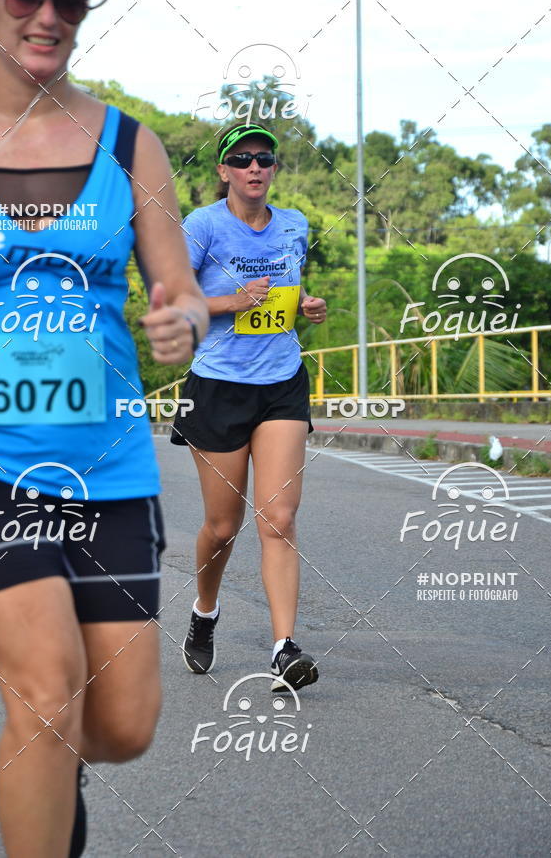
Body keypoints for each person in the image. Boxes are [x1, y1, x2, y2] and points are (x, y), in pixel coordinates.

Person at [0, 0, 208, 856]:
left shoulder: (128, 144)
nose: (49, 15)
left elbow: (175, 281)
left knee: (121, 727)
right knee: (44, 687)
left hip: (110, 465)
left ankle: (49, 764)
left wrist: (179, 317)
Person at [171, 122, 327, 692]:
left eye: (265, 158)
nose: (255, 168)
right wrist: (232, 301)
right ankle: (205, 610)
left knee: (279, 518)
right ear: (223, 171)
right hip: (218, 385)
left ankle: (284, 648)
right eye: (242, 160)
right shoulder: (202, 227)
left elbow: (286, 293)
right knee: (221, 525)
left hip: (282, 379)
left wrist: (305, 305)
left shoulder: (294, 225)